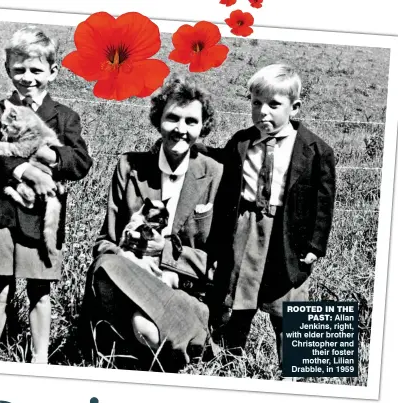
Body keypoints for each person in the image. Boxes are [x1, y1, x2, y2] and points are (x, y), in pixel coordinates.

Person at [81, 75, 223, 371]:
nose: (180, 130)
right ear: (158, 119)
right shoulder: (130, 167)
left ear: (202, 127)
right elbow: (104, 242)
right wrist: (128, 256)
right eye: (172, 118)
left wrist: (165, 255)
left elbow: (221, 262)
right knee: (105, 266)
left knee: (144, 327)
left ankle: (168, 355)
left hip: (183, 290)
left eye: (191, 122)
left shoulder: (215, 174)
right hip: (130, 276)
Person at [0, 26, 92, 364]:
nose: (27, 77)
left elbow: (81, 161)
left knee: (40, 290)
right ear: (8, 69)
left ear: (52, 72)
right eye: (19, 69)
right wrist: (22, 168)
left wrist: (54, 155)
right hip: (1, 212)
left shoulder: (66, 117)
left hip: (42, 219)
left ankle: (40, 359)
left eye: (36, 69)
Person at [208, 64, 336, 372]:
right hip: (246, 226)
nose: (262, 112)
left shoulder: (316, 150)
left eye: (273, 105)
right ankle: (229, 360)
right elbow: (224, 185)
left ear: (295, 107)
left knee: (288, 303)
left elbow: (323, 203)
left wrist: (314, 245)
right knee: (239, 295)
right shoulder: (241, 142)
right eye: (256, 103)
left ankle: (293, 369)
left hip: (288, 232)